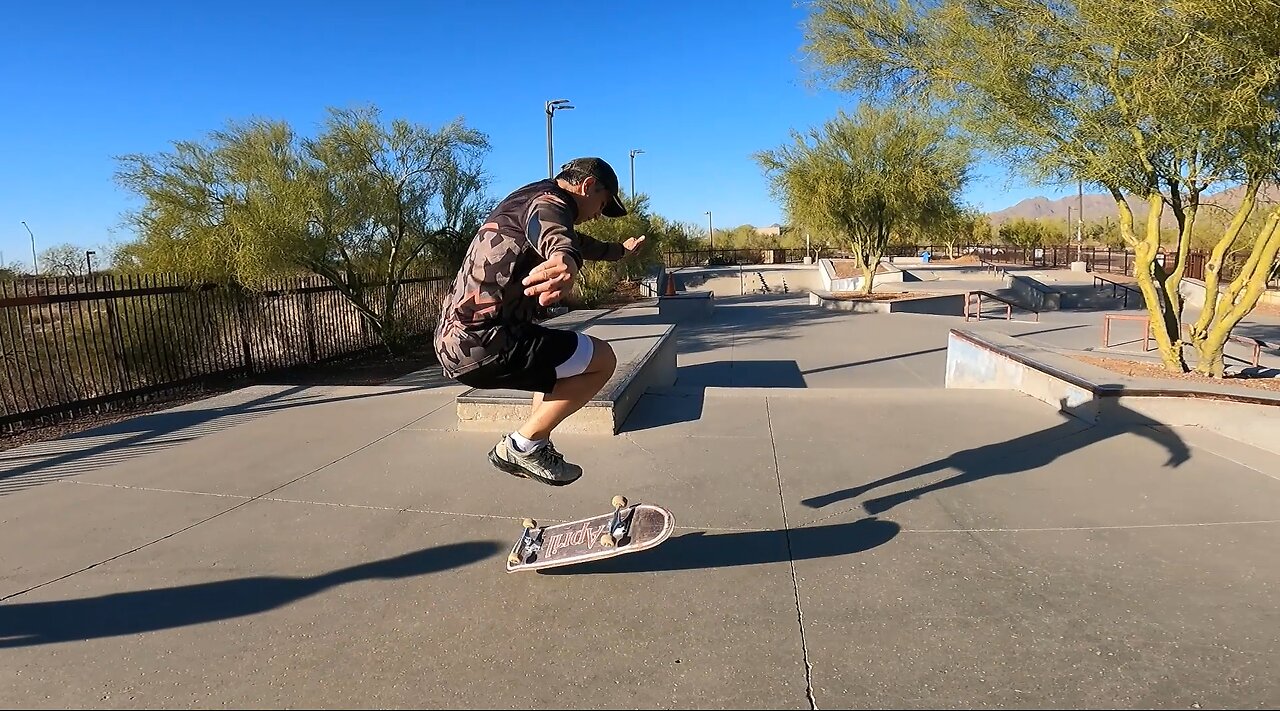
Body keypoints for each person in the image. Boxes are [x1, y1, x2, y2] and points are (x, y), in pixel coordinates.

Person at [433, 157, 646, 486]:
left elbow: (576, 241)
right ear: (588, 186)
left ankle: (535, 442)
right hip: (488, 342)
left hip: (454, 341)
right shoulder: (550, 203)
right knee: (603, 360)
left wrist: (619, 250)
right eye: (602, 205)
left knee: (558, 366)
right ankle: (522, 446)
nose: (597, 215)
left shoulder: (527, 197)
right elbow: (555, 233)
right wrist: (564, 259)